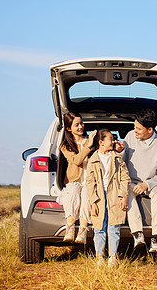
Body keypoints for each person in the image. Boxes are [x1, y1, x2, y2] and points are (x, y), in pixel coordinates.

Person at [116, 109, 157, 254]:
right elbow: (120, 162)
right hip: (132, 182)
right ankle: (137, 234)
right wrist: (120, 151)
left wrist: (147, 184)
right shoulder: (130, 137)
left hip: (151, 183)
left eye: (138, 129)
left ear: (150, 129)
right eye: (134, 127)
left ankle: (156, 237)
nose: (135, 131)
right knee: (127, 191)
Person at [86, 129, 130, 267]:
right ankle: (99, 257)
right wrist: (93, 202)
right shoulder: (93, 160)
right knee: (99, 227)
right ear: (101, 142)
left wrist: (123, 196)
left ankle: (112, 257)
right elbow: (89, 182)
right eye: (110, 139)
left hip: (114, 195)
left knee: (114, 227)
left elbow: (125, 178)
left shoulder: (117, 158)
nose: (113, 141)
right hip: (99, 197)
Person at [59, 112, 97, 244]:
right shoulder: (65, 145)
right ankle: (69, 228)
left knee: (87, 193)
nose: (81, 126)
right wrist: (88, 146)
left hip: (89, 179)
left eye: (81, 123)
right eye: (77, 125)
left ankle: (82, 230)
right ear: (69, 128)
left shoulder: (91, 141)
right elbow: (76, 160)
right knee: (74, 191)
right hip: (74, 180)